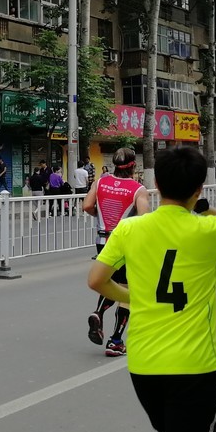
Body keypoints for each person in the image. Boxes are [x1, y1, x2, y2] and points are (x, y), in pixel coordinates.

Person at [87, 147, 216, 432]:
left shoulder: (130, 228)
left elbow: (96, 279)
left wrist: (133, 297)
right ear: (199, 188)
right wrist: (208, 209)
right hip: (194, 365)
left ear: (156, 184)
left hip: (144, 364)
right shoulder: (208, 228)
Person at [83, 147, 150, 357]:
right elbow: (144, 219)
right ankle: (116, 341)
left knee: (108, 282)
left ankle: (98, 312)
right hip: (124, 243)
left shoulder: (100, 182)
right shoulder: (138, 190)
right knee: (125, 291)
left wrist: (99, 215)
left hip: (102, 242)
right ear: (133, 166)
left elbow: (87, 206)